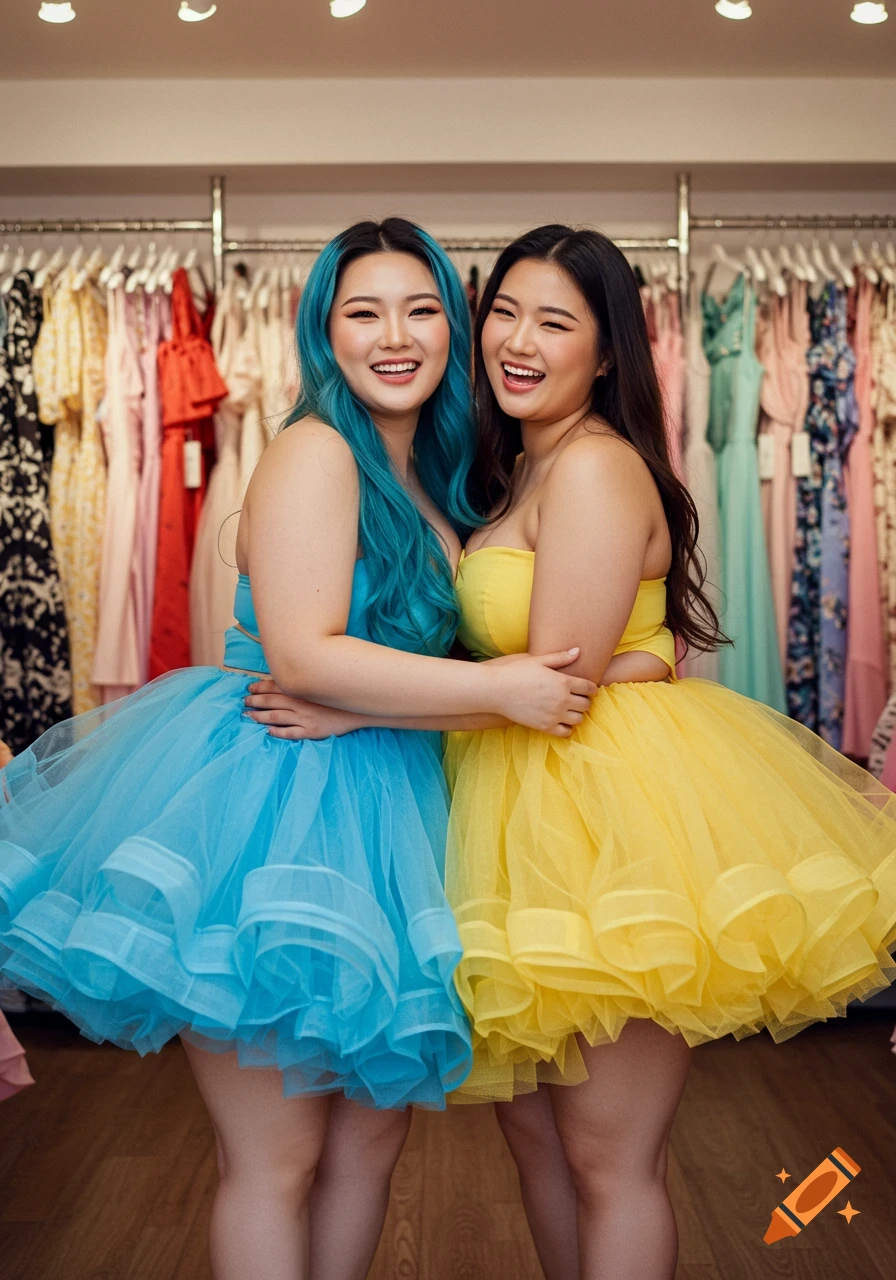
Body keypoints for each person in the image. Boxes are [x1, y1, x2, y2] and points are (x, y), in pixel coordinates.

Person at [249, 225, 896, 1280]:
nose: (516, 340)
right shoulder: (503, 472)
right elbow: (564, 663)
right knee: (541, 1138)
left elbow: (550, 687)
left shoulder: (590, 466)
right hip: (526, 814)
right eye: (501, 312)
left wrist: (358, 710)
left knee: (605, 1154)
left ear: (606, 354)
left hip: (607, 823)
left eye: (553, 322)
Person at [0, 219, 597, 1280]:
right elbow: (303, 656)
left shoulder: (441, 476)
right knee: (275, 1155)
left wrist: (392, 706)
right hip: (268, 801)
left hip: (389, 802)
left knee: (370, 1141)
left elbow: (387, 676)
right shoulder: (316, 450)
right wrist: (496, 685)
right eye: (362, 313)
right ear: (324, 332)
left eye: (419, 309)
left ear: (452, 330)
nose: (395, 336)